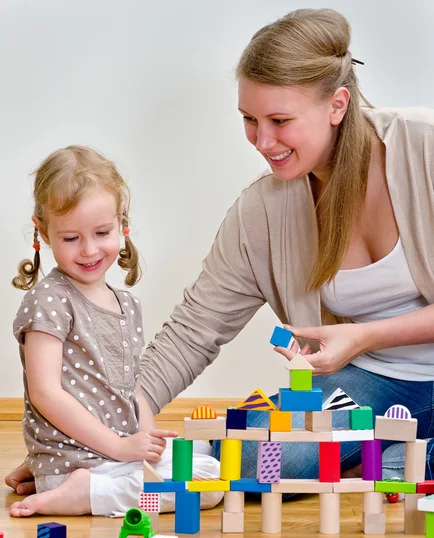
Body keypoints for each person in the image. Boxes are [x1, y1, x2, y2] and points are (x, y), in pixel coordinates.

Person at [7, 8, 434, 498]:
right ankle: (402, 457)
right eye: (249, 120)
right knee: (260, 458)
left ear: (337, 104)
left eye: (279, 120)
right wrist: (87, 441)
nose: (262, 141)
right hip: (372, 385)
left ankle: (398, 457)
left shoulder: (422, 148)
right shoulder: (265, 212)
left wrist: (362, 336)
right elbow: (193, 331)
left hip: (385, 367)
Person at [8, 145, 223, 517]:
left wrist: (146, 437)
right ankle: (77, 492)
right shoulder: (50, 300)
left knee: (204, 459)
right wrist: (122, 449)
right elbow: (45, 393)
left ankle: (74, 482)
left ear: (122, 222)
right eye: (70, 238)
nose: (89, 250)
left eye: (102, 232)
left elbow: (130, 385)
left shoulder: (127, 304)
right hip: (85, 458)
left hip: (111, 454)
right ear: (42, 231)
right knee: (206, 486)